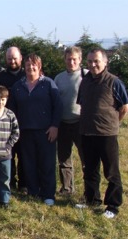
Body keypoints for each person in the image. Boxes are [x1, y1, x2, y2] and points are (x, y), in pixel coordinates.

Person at [76, 48, 128, 219]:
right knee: (90, 169)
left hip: (107, 135)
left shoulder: (114, 82)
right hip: (87, 132)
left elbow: (125, 108)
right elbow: (82, 104)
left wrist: (113, 123)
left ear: (105, 62)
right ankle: (92, 199)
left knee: (111, 171)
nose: (93, 64)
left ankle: (113, 206)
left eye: (96, 61)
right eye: (90, 61)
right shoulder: (84, 82)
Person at [9, 53, 62, 206]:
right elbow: (12, 110)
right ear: (24, 67)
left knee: (46, 163)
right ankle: (33, 192)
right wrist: (15, 129)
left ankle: (48, 194)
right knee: (29, 163)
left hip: (46, 131)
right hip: (25, 131)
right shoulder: (18, 86)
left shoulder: (48, 84)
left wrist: (54, 126)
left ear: (39, 67)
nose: (30, 68)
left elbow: (58, 106)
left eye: (34, 65)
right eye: (27, 65)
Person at [0, 46, 26, 192]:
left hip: (24, 121)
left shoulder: (27, 75)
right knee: (7, 155)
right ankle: (9, 183)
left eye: (15, 58)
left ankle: (24, 184)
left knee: (24, 155)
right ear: (5, 59)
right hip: (4, 124)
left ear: (20, 58)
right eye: (9, 58)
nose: (12, 61)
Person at [53, 46, 87, 195]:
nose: (71, 62)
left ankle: (89, 190)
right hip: (63, 123)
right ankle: (67, 188)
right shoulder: (59, 78)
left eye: (74, 59)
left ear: (80, 60)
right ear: (64, 60)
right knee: (64, 159)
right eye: (69, 59)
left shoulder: (87, 76)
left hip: (81, 123)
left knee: (86, 159)